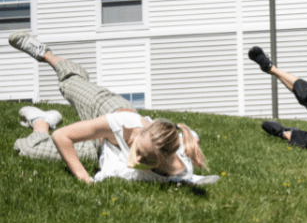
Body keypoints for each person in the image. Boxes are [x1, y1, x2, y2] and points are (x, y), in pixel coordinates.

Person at [10, 32, 218, 185]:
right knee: (71, 85)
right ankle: (48, 55)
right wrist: (84, 178)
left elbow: (189, 139)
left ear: (164, 156)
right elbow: (62, 136)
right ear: (141, 133)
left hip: (100, 149)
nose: (134, 160)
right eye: (137, 150)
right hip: (109, 111)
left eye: (144, 159)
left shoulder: (178, 167)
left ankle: (41, 121)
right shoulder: (124, 124)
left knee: (29, 150)